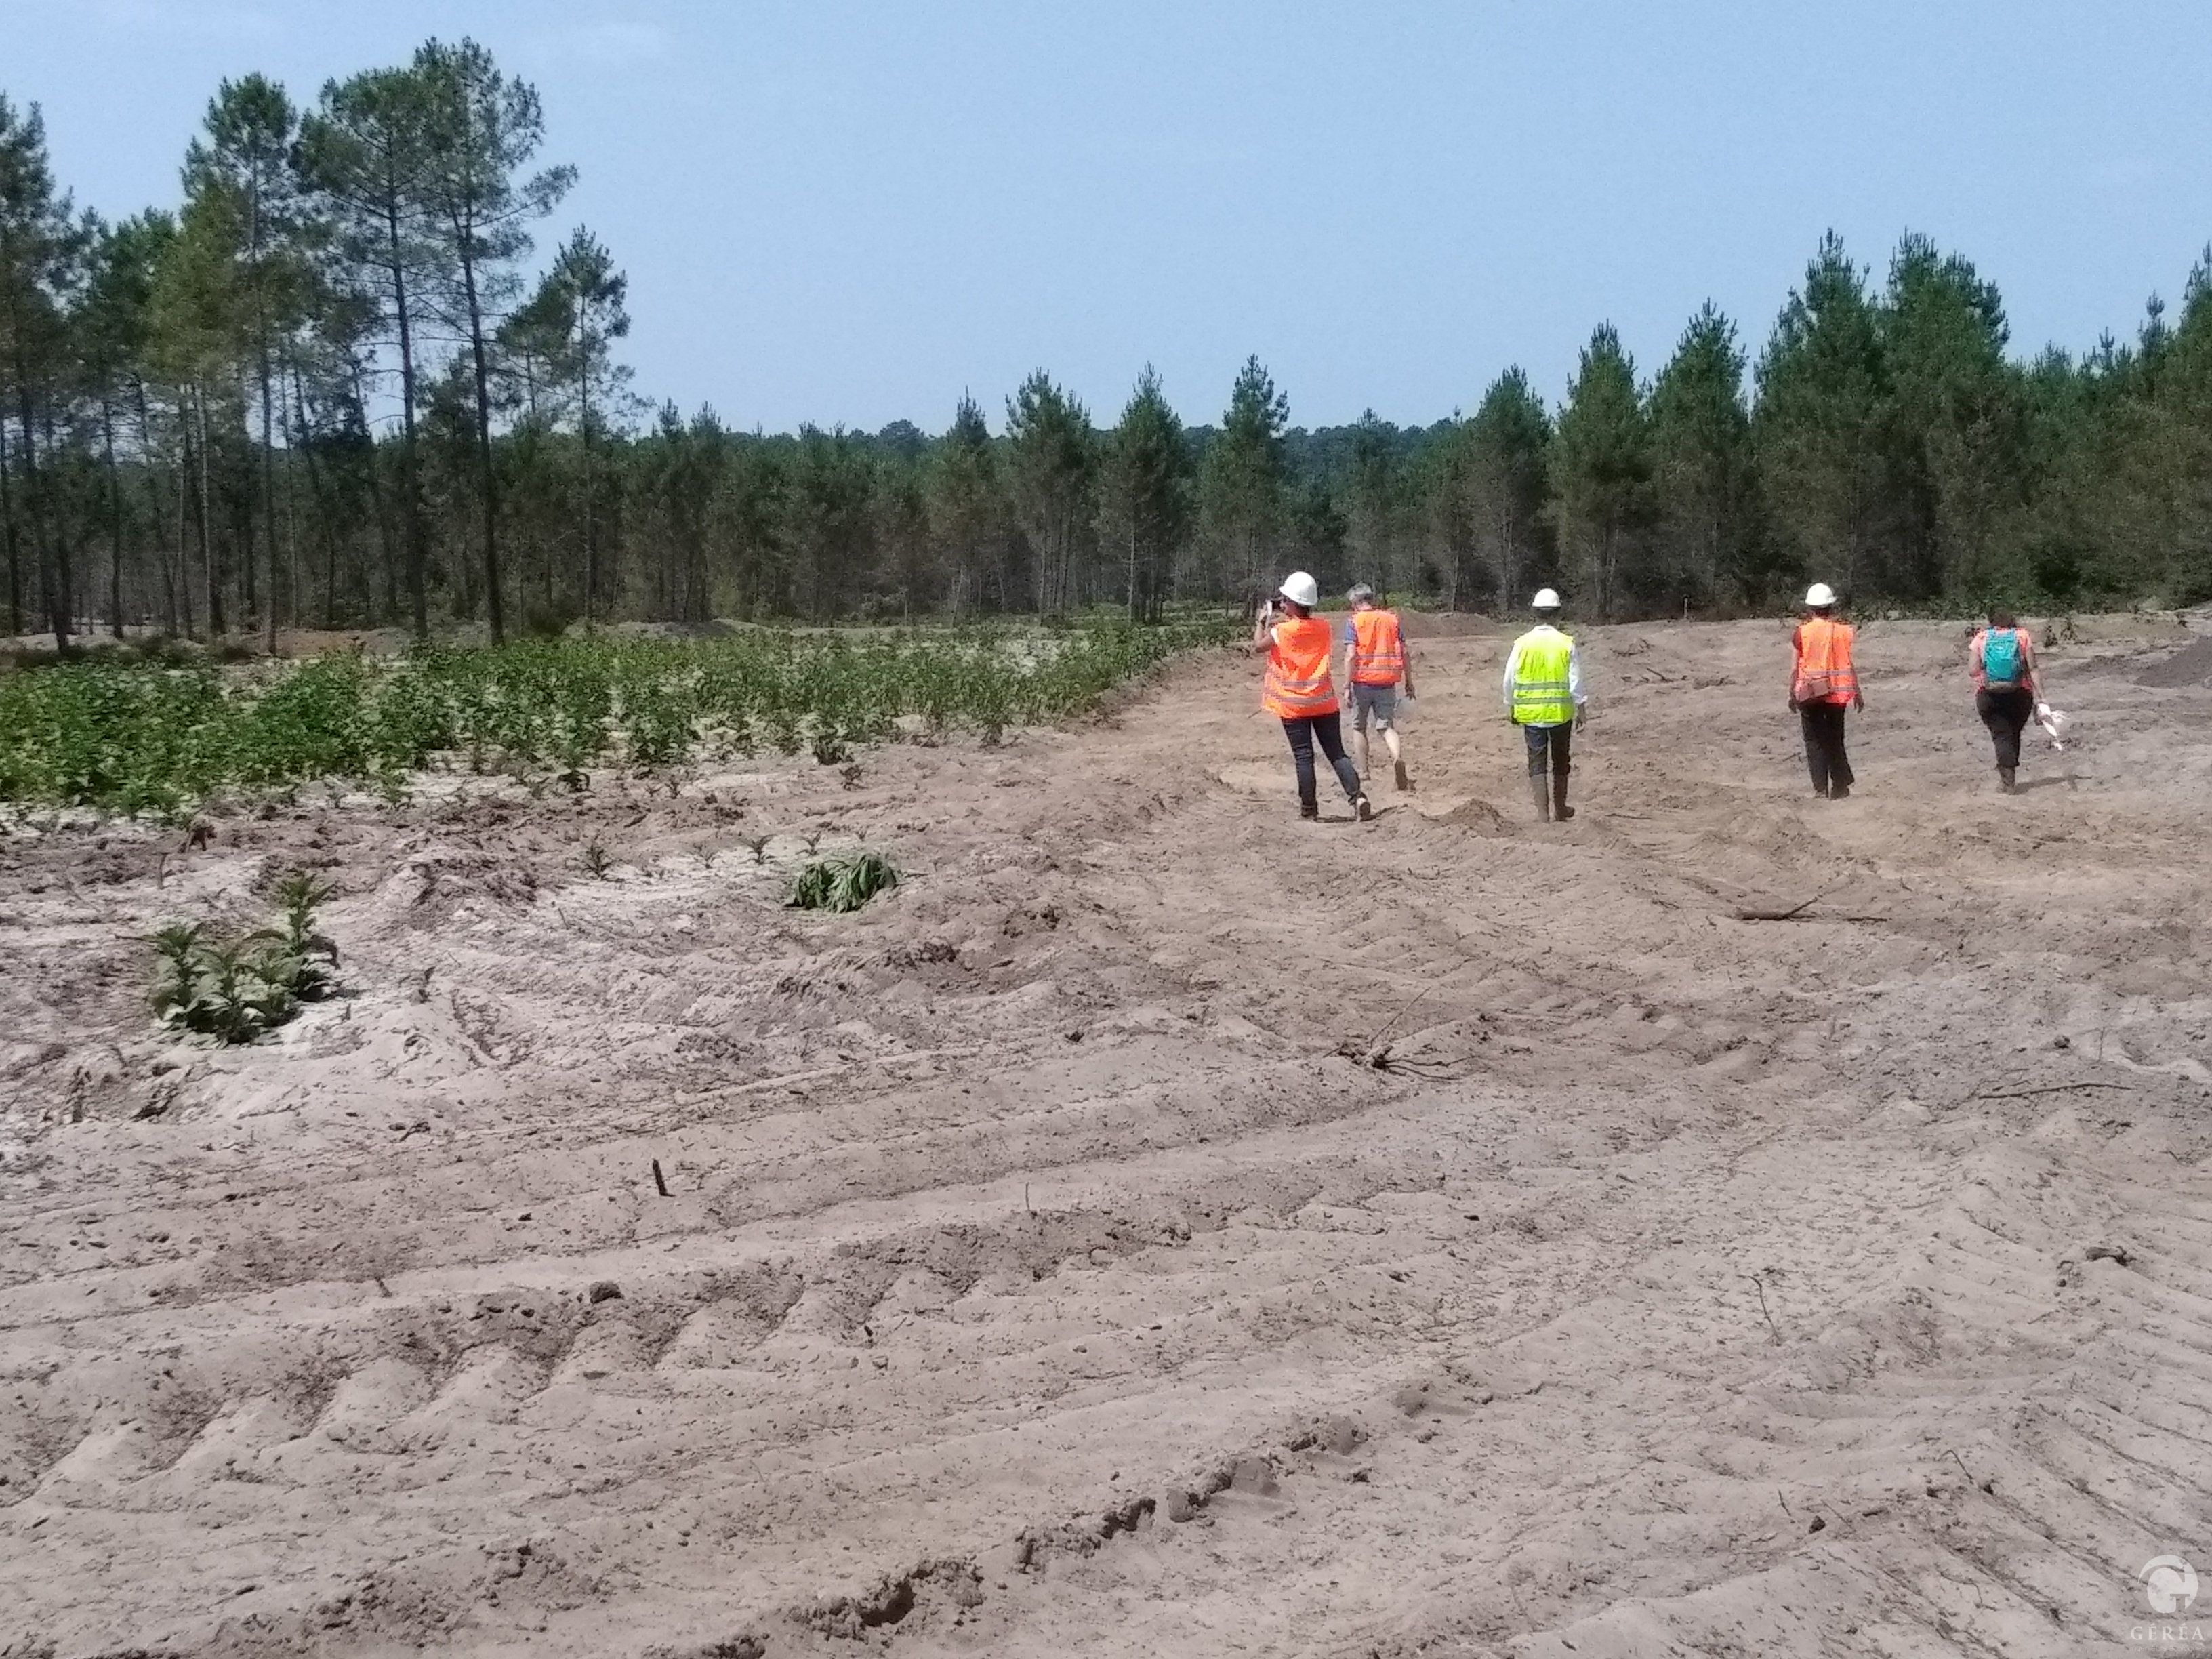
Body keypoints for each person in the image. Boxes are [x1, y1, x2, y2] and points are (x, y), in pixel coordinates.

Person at [1254, 571, 1372, 822]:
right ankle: (1358, 797)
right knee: (1337, 753)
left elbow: (1258, 646)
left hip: (1294, 707)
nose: (1282, 603)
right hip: (1324, 702)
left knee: (1304, 756)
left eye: (1285, 600)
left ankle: (1309, 810)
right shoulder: (1324, 628)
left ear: (1294, 603)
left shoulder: (1280, 631)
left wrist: (1261, 621)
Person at [1502, 588, 1585, 822]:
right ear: (1557, 613)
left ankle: (1542, 815)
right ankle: (1561, 809)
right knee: (1561, 760)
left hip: (1532, 714)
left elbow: (1509, 679)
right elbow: (1575, 680)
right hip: (1560, 714)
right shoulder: (1566, 643)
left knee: (1536, 762)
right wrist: (1582, 708)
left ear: (1535, 613)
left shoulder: (1522, 644)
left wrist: (1511, 704)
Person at [1341, 583, 1417, 792]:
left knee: (1359, 727)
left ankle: (1364, 773)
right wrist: (1409, 683)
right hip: (1388, 682)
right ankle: (1397, 758)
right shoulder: (1392, 619)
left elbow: (1351, 656)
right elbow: (1405, 653)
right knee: (1386, 727)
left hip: (1363, 682)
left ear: (1356, 603)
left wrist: (1346, 686)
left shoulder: (1354, 622)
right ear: (1371, 600)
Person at [1790, 583, 1863, 800]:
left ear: (1810, 608)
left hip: (1809, 693)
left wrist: (1791, 693)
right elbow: (1849, 664)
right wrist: (1857, 691)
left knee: (1814, 740)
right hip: (1837, 695)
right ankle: (1841, 785)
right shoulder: (1843, 632)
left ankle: (1820, 789)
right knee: (1834, 738)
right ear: (1831, 607)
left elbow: (1795, 667)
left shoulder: (1801, 633)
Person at [1970, 608, 2039, 793]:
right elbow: (2033, 668)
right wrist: (2041, 697)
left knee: (2001, 735)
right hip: (2020, 694)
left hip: (1990, 694)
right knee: (2012, 733)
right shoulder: (2022, 635)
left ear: (1991, 620)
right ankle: (2008, 774)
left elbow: (1973, 670)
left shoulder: (1982, 637)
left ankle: (2008, 781)